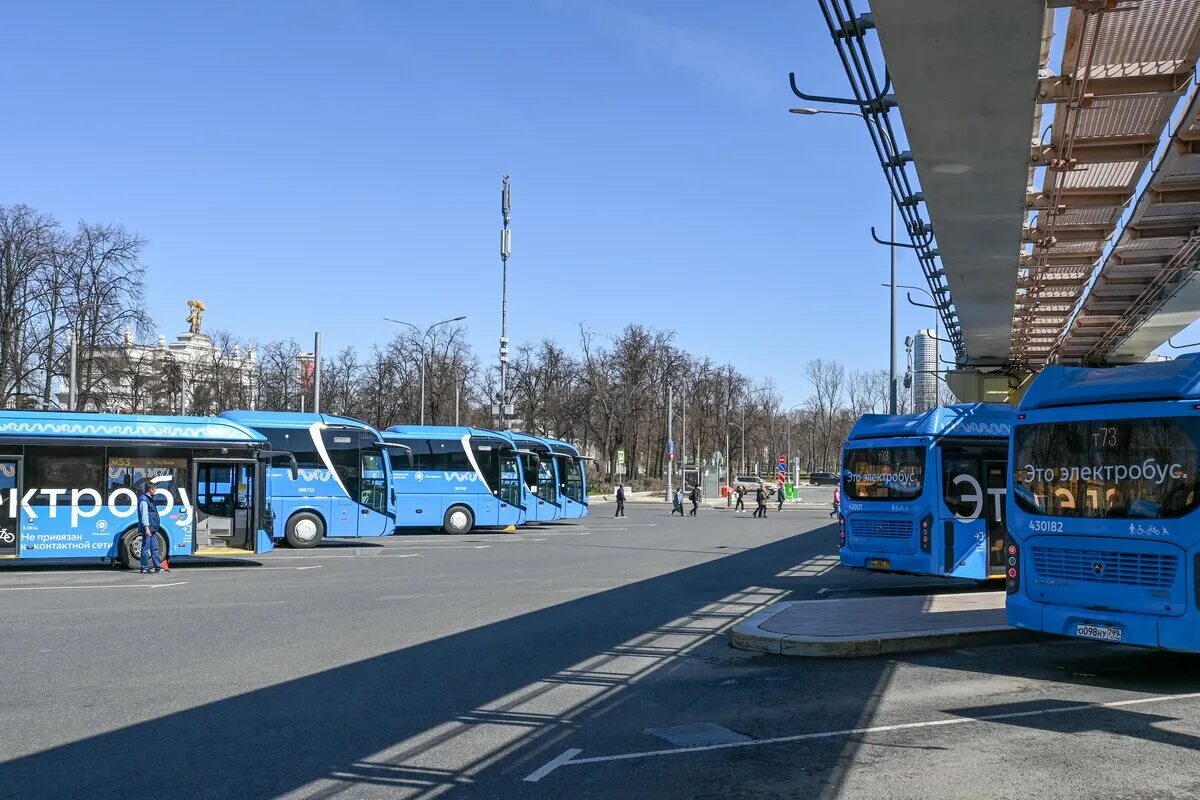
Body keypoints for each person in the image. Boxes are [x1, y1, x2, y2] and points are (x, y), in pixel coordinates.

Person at [137, 482, 169, 574]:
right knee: (145, 548)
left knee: (154, 548)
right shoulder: (144, 500)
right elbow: (144, 515)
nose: (155, 491)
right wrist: (146, 528)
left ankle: (158, 567)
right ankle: (144, 568)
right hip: (149, 528)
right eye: (154, 489)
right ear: (150, 489)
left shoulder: (149, 499)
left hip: (152, 528)